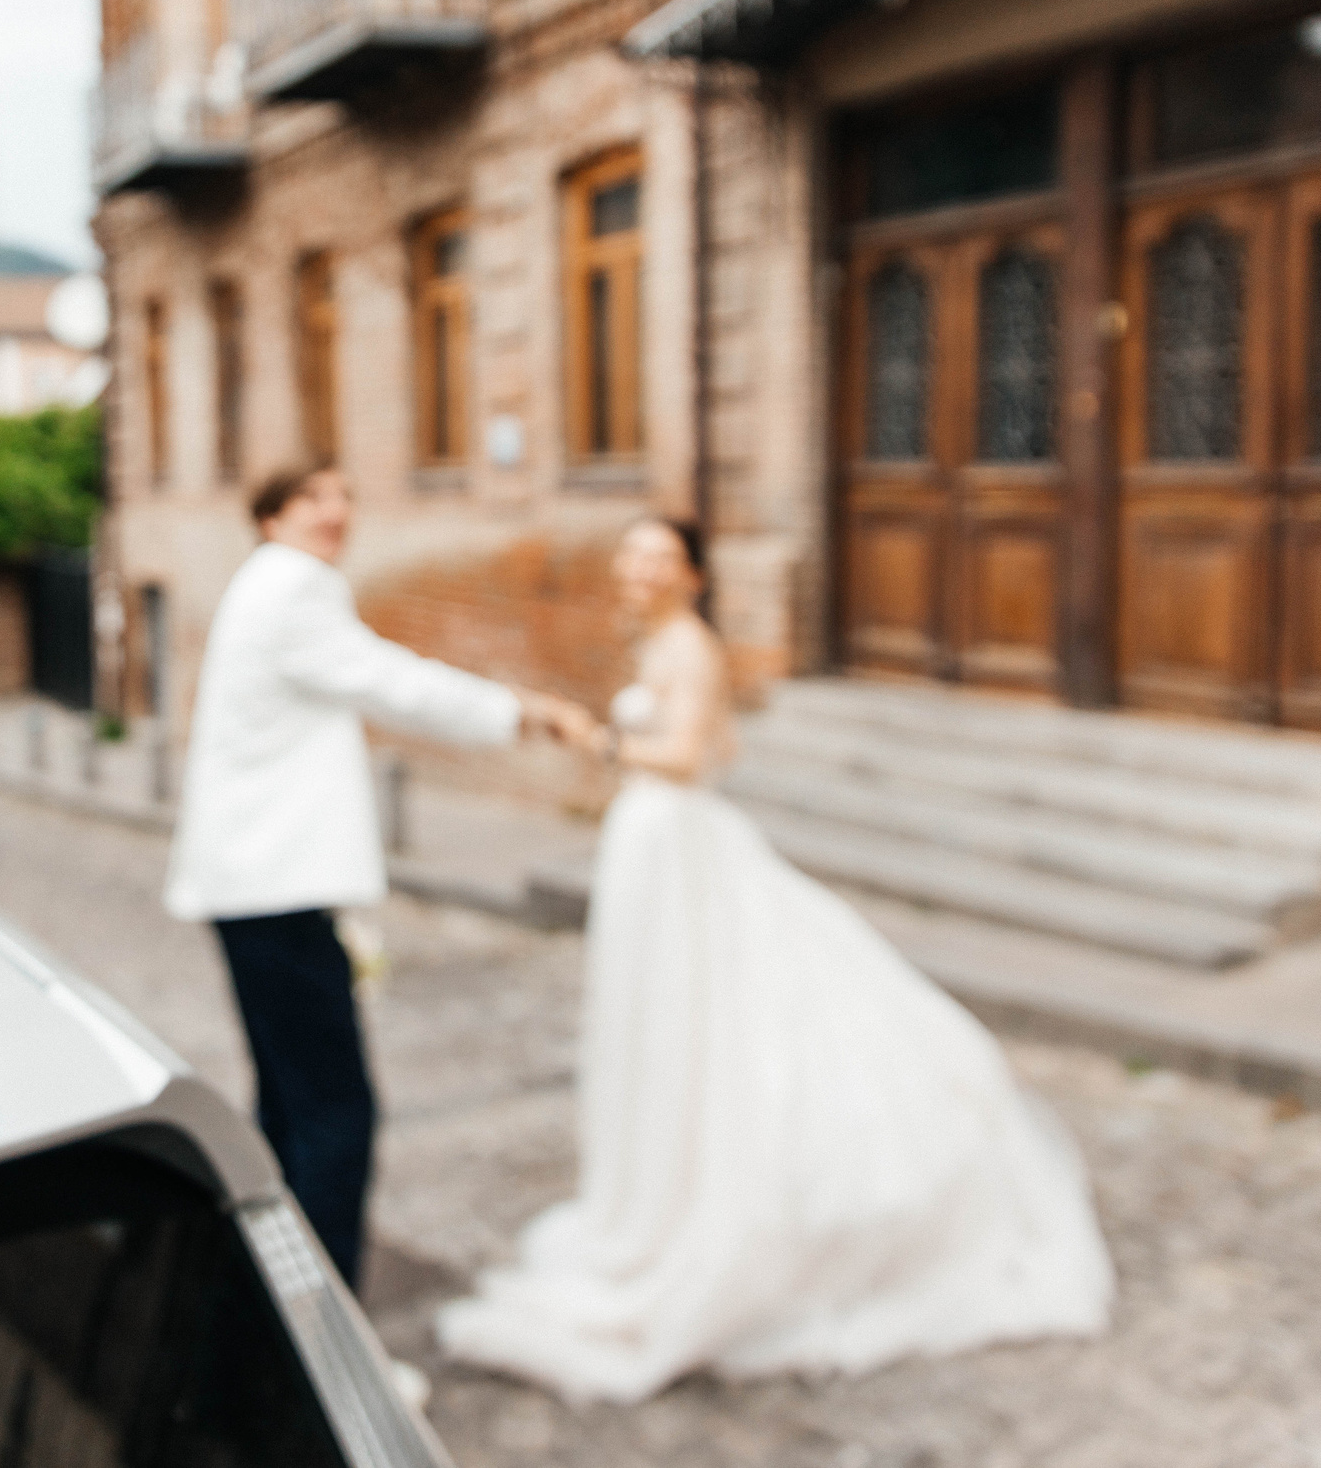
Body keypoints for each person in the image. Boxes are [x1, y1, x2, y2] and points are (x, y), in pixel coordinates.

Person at [437, 516, 1111, 1402]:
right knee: (665, 1020)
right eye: (630, 555)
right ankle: (658, 1190)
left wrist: (592, 740)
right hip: (653, 845)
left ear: (691, 574)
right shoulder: (666, 645)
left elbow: (682, 757)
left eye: (657, 557)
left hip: (674, 840)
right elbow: (722, 746)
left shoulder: (693, 648)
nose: (638, 569)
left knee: (717, 1014)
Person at [167, 463, 587, 1287]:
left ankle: (268, 1306)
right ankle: (328, 1333)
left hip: (254, 887)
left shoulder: (265, 585)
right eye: (312, 498)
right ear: (269, 518)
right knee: (335, 1117)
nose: (337, 511)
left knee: (290, 1108)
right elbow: (392, 679)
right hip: (274, 889)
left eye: (345, 495)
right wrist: (519, 710)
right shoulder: (293, 589)